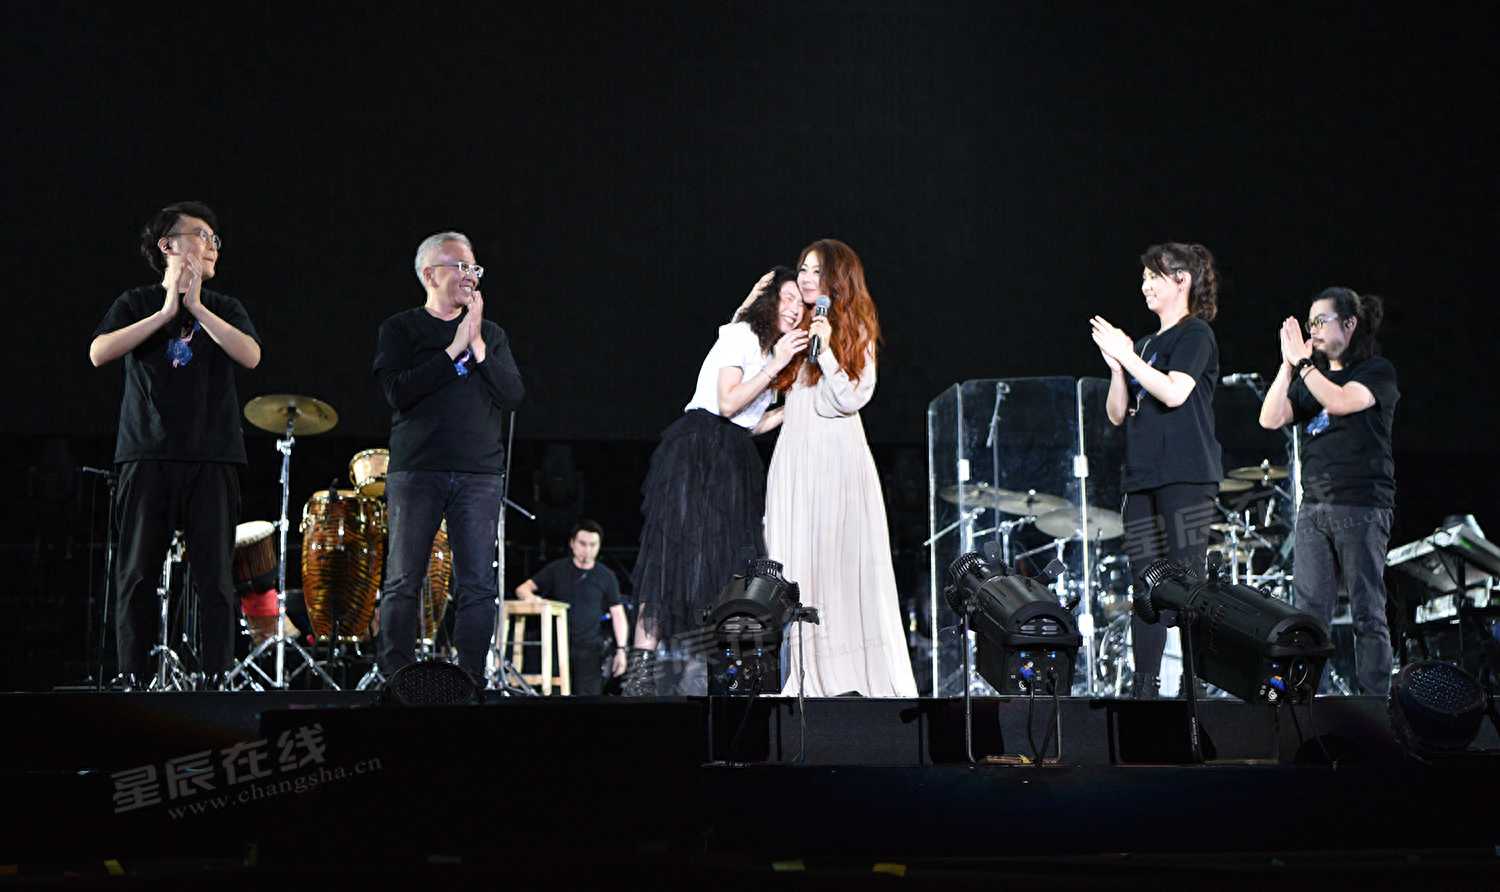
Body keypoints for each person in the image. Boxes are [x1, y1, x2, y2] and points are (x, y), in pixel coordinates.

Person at [89, 201, 262, 689]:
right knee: (137, 575)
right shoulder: (135, 302)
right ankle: (132, 678)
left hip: (212, 458)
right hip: (147, 455)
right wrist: (166, 310)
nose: (212, 246)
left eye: (215, 240)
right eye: (201, 235)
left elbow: (251, 355)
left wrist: (196, 307)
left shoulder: (224, 307)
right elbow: (99, 352)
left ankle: (216, 680)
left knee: (215, 579)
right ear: (168, 245)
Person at [623, 267, 808, 695]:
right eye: (787, 298)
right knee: (672, 556)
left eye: (801, 304)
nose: (795, 309)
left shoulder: (771, 354)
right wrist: (777, 365)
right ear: (769, 301)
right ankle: (640, 675)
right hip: (697, 448)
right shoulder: (742, 335)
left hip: (733, 455)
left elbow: (749, 422)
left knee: (723, 567)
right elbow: (727, 403)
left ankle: (710, 672)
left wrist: (793, 406)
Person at [765, 239, 918, 698]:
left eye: (817, 271)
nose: (806, 279)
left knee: (840, 567)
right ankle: (805, 675)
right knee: (796, 566)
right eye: (803, 269)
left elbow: (851, 398)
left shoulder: (856, 331)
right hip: (796, 457)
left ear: (838, 279)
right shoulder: (796, 330)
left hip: (837, 460)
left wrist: (827, 350)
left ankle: (849, 675)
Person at [373, 231, 524, 683]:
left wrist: (477, 345)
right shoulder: (401, 329)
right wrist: (454, 348)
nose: (469, 275)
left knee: (477, 584)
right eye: (459, 266)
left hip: (479, 474)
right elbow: (398, 392)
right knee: (404, 579)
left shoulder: (492, 335)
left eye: (473, 267)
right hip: (418, 470)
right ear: (429, 274)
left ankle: (469, 679)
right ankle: (398, 678)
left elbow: (513, 395)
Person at [1091, 242, 1224, 698]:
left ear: (1181, 280)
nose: (1144, 285)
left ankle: (1195, 686)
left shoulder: (1196, 334)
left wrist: (1127, 356)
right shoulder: (1146, 345)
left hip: (1186, 476)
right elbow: (1117, 413)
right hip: (1141, 478)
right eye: (1144, 277)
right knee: (1144, 586)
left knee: (1186, 580)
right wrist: (1117, 367)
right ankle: (1144, 689)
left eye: (1154, 276)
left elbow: (1174, 392)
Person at [1258, 288, 1397, 695]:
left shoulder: (1376, 371)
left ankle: (1376, 704)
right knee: (1308, 616)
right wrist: (1287, 366)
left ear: (1350, 324)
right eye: (1310, 323)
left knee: (1367, 611)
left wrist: (1303, 365)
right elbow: (1270, 418)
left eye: (1321, 321)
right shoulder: (1308, 377)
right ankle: (1303, 700)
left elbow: (1339, 401)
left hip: (1362, 505)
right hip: (1314, 509)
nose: (1313, 330)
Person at [516, 519, 627, 695]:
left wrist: (621, 650)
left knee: (589, 699)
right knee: (554, 697)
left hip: (590, 650)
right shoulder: (557, 569)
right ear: (572, 543)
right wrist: (534, 599)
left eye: (593, 545)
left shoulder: (606, 576)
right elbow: (522, 589)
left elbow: (618, 614)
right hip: (557, 647)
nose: (587, 550)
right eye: (582, 544)